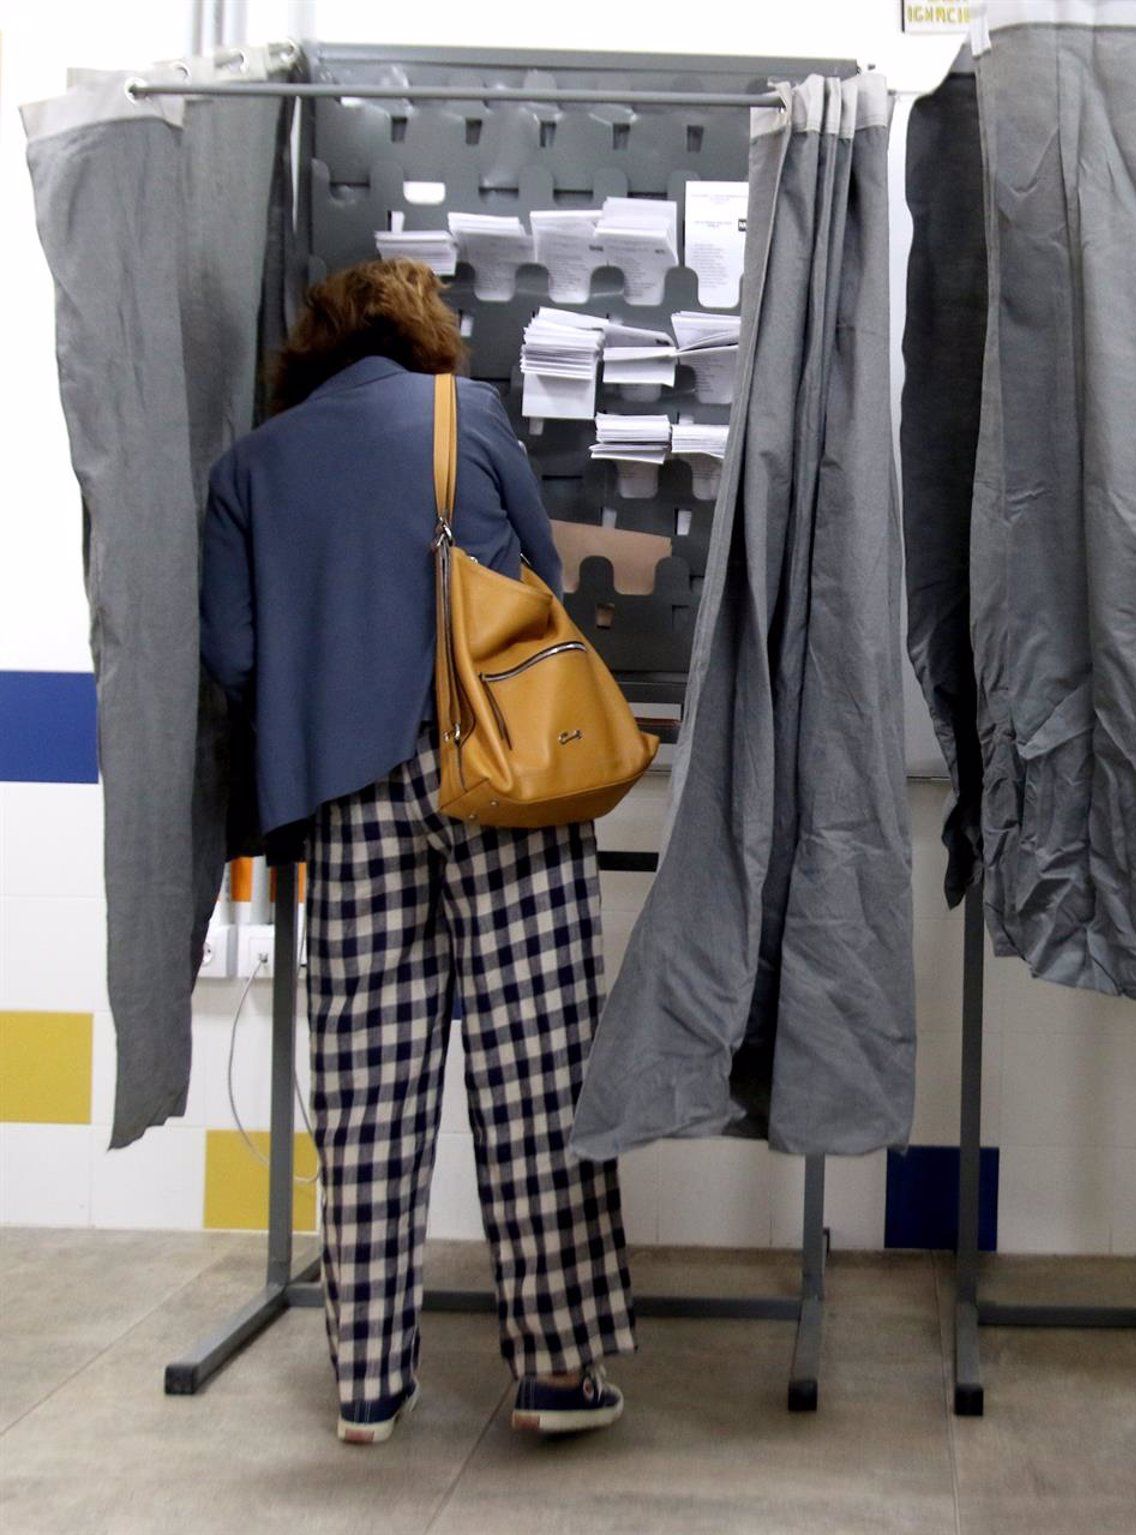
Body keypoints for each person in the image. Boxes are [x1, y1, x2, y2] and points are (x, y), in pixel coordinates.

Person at [200, 259, 634, 1446]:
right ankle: (555, 1371)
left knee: (368, 1095)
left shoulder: (250, 464)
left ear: (314, 345)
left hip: (343, 799)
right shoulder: (466, 414)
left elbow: (234, 658)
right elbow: (540, 587)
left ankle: (369, 1382)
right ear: (418, 330)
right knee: (538, 1077)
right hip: (497, 783)